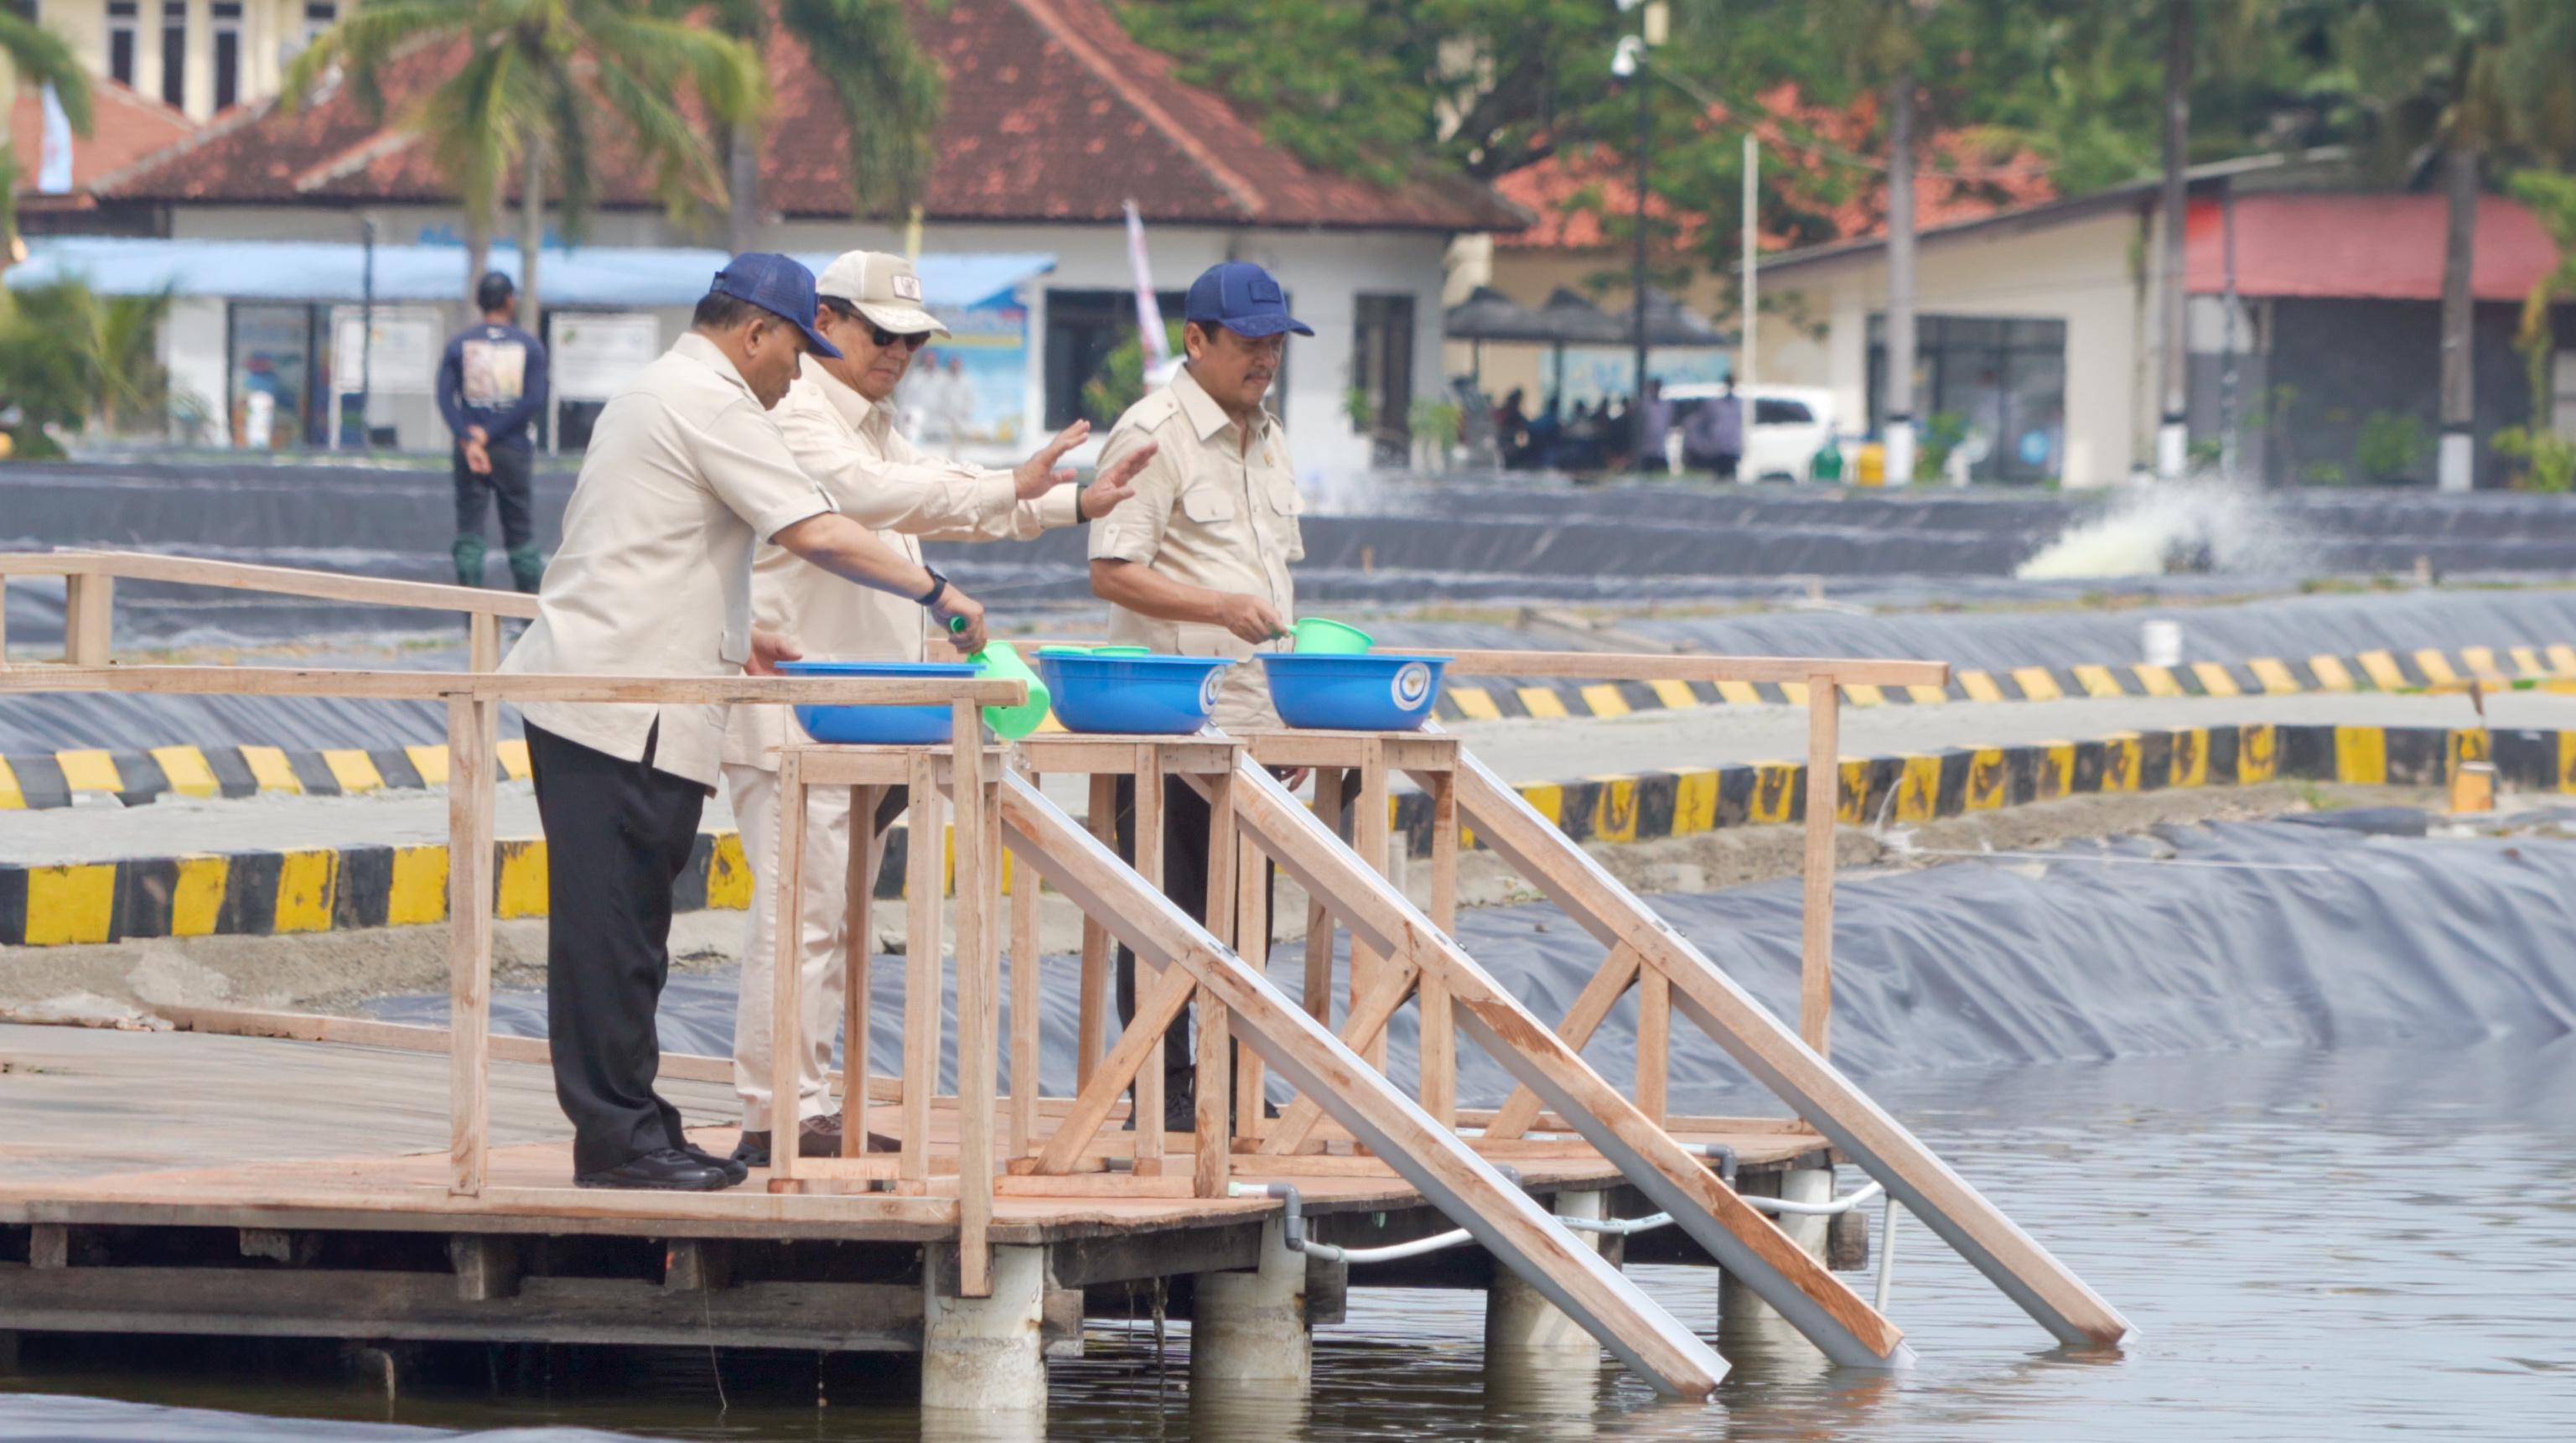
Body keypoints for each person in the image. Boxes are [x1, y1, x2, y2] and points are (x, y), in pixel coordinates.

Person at [501, 253, 991, 1192]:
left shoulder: (669, 389)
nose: (796, 370)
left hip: (635, 689)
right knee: (609, 933)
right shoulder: (714, 397)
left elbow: (660, 543)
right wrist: (937, 587)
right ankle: (617, 1140)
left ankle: (638, 1125)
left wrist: (747, 631)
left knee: (633, 931)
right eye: (793, 349)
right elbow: (817, 527)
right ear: (756, 331)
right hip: (617, 698)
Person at [722, 251, 1153, 1168]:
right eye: (883, 333)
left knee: (835, 919)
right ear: (823, 321)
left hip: (864, 715)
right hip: (793, 709)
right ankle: (775, 1110)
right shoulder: (795, 413)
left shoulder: (872, 424)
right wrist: (1011, 491)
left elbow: (932, 500)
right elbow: (872, 498)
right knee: (799, 914)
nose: (899, 352)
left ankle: (812, 1102)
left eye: (913, 339)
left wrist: (1066, 500)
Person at [1087, 260, 1306, 1130]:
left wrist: (1287, 709)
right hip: (1171, 712)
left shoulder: (1271, 435)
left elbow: (1271, 577)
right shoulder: (1153, 432)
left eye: (1275, 342)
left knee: (1245, 905)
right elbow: (1113, 570)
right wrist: (1217, 605)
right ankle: (1161, 1082)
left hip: (1253, 713)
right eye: (1248, 342)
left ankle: (1228, 1071)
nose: (1264, 358)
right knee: (1166, 907)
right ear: (1196, 339)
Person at [437, 272, 552, 592]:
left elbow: (445, 397)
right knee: (520, 534)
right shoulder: (529, 346)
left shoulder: (460, 345)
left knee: (470, 533)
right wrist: (491, 434)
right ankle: (529, 620)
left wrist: (469, 437)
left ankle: (472, 620)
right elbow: (533, 399)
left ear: (479, 302)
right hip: (512, 448)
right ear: (510, 301)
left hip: (469, 450)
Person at [1687, 377, 1744, 480]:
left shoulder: (1738, 403)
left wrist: (1739, 447)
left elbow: (1737, 426)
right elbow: (1701, 423)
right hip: (1718, 448)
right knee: (1718, 479)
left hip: (1732, 448)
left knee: (1731, 478)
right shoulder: (1714, 404)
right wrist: (1706, 443)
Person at [1636, 378, 1673, 475]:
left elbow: (1667, 424)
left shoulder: (1666, 406)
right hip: (1646, 450)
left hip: (1661, 450)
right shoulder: (1644, 405)